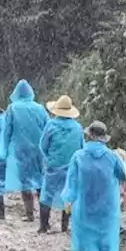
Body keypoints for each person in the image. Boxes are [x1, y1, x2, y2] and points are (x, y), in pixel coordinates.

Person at [61, 122, 126, 251]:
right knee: (105, 234)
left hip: (84, 201)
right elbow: (124, 177)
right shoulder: (113, 157)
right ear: (104, 138)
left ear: (89, 136)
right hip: (107, 203)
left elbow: (72, 181)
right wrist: (124, 159)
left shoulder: (78, 156)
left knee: (83, 232)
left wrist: (68, 199)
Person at [0, 79, 49, 222]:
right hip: (39, 150)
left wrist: (3, 150)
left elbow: (7, 131)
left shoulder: (12, 109)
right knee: (40, 181)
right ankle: (45, 216)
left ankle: (29, 215)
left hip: (21, 150)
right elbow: (48, 128)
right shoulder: (40, 108)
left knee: (25, 182)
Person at [39, 95, 84, 234]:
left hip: (54, 165)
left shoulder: (51, 125)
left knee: (47, 195)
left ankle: (44, 226)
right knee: (69, 195)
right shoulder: (78, 128)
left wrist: (50, 158)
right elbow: (82, 147)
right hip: (72, 167)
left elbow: (43, 145)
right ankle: (65, 226)